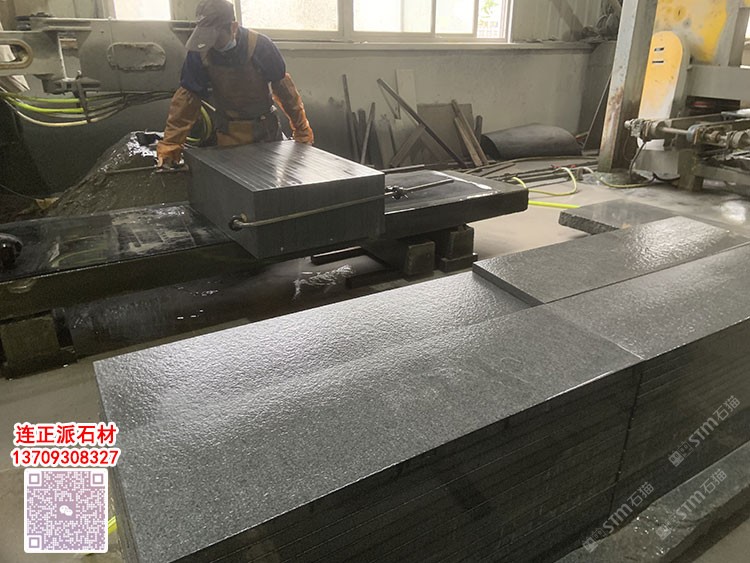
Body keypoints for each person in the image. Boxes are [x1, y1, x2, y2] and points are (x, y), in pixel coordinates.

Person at [157, 0, 314, 167]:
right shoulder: (199, 52)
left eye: (217, 39)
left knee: (267, 179)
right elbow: (187, 100)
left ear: (233, 27)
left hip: (266, 132)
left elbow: (285, 92)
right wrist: (171, 145)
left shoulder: (261, 47)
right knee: (234, 179)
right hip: (229, 133)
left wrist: (302, 131)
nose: (213, 45)